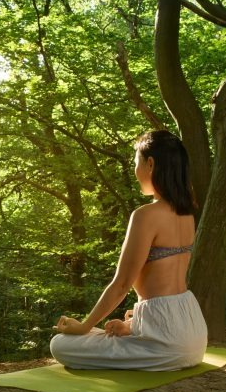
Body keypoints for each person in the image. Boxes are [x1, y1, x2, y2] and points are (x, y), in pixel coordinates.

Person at [50, 130, 207, 371]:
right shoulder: (186, 213)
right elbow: (165, 286)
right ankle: (132, 331)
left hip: (167, 344)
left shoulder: (145, 216)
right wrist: (133, 325)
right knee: (111, 332)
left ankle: (104, 333)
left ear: (151, 163)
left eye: (136, 162)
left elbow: (122, 284)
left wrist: (83, 326)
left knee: (60, 344)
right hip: (194, 337)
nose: (135, 171)